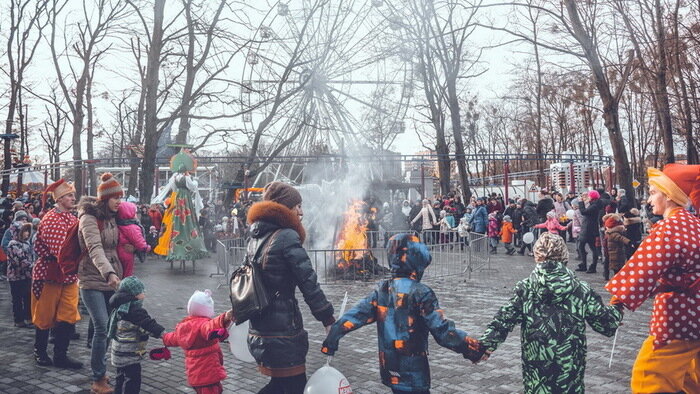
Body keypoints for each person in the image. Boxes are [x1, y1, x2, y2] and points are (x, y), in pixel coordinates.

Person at [321, 234, 485, 394]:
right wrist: (473, 348)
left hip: (390, 368)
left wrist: (332, 338)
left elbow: (355, 316)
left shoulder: (382, 290)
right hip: (413, 371)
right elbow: (442, 332)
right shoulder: (421, 293)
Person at [479, 232, 623, 394]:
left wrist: (484, 346)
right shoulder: (581, 289)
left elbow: (503, 320)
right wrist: (617, 308)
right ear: (564, 256)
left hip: (537, 366)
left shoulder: (525, 288)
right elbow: (606, 324)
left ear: (537, 256)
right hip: (570, 364)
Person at [606, 164, 700, 394]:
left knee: (649, 376)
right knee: (690, 377)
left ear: (668, 195)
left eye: (653, 192)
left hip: (678, 316)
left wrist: (617, 302)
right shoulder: (694, 224)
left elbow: (643, 268)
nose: (649, 200)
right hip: (696, 313)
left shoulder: (669, 228)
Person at [246, 182, 335, 394]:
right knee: (293, 386)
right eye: (298, 206)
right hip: (283, 330)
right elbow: (308, 282)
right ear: (285, 208)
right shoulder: (286, 236)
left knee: (280, 386)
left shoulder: (256, 237)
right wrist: (328, 318)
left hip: (260, 326)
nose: (302, 212)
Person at [78, 173, 126, 393]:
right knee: (100, 326)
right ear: (104, 198)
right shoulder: (89, 218)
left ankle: (103, 371)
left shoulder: (111, 217)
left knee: (109, 328)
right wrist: (109, 273)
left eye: (121, 197)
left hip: (111, 278)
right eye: (115, 197)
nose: (119, 201)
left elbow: (115, 246)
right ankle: (98, 379)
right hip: (91, 278)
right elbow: (95, 249)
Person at [31, 179, 83, 369]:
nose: (73, 198)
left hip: (68, 275)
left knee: (68, 314)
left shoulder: (72, 218)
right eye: (69, 195)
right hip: (50, 274)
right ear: (59, 198)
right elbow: (61, 250)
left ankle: (61, 355)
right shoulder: (51, 219)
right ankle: (40, 351)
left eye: (72, 195)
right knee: (45, 316)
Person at [159, 290, 233, 394]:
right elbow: (211, 326)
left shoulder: (183, 327)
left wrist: (164, 337)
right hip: (209, 372)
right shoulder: (203, 325)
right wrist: (224, 317)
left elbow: (173, 338)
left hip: (194, 374)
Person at [107, 276, 165, 394]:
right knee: (132, 380)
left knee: (120, 377)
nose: (143, 295)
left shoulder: (120, 306)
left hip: (118, 352)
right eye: (141, 292)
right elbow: (148, 325)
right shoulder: (135, 311)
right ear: (134, 295)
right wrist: (163, 334)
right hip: (130, 355)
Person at [152, 148, 209, 262]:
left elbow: (171, 188)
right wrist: (196, 181)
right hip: (185, 198)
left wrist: (158, 199)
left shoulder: (174, 177)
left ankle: (173, 248)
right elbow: (193, 187)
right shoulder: (187, 177)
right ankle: (190, 245)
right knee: (188, 217)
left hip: (177, 197)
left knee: (174, 217)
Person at [6, 222, 34, 328]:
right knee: (17, 299)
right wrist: (33, 266)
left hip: (27, 275)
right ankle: (19, 320)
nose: (27, 233)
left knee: (28, 297)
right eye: (24, 231)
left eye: (27, 231)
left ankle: (28, 317)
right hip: (16, 276)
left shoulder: (27, 243)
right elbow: (20, 260)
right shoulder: (13, 244)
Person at [116, 201, 150, 278]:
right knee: (127, 273)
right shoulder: (132, 227)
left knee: (120, 272)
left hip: (119, 250)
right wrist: (146, 248)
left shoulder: (119, 223)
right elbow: (138, 241)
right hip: (127, 254)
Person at [576, 190, 604, 274]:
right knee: (582, 246)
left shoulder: (595, 206)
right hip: (588, 228)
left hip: (589, 229)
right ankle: (584, 264)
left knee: (591, 247)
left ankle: (592, 266)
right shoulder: (595, 204)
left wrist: (581, 203)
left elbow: (583, 212)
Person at [601, 214, 630, 279]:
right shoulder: (612, 232)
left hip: (613, 251)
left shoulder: (611, 233)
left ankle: (611, 276)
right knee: (614, 264)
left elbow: (621, 238)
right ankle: (611, 276)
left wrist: (628, 242)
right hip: (612, 251)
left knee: (614, 265)